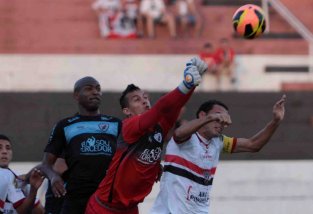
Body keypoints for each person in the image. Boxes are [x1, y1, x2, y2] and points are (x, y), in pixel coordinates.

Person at [85, 57, 208, 213]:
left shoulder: (159, 128)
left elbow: (174, 106)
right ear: (127, 111)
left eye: (145, 97)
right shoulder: (129, 126)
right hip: (103, 209)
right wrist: (186, 84)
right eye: (137, 100)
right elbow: (161, 108)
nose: (144, 102)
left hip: (131, 209)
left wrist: (193, 84)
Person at [150, 95, 286, 214]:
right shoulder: (187, 137)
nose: (221, 121)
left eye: (223, 118)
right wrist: (212, 117)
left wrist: (275, 122)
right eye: (218, 115)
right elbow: (179, 134)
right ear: (203, 115)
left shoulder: (218, 142)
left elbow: (253, 145)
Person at [39, 76, 122, 214]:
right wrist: (53, 176)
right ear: (76, 95)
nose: (95, 92)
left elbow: (132, 153)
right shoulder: (65, 125)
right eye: (89, 89)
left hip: (107, 196)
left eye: (98, 89)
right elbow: (45, 164)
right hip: (75, 198)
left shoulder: (116, 124)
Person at [0, 134, 45, 214]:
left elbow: (39, 211)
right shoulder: (7, 175)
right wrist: (33, 190)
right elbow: (22, 211)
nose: (4, 151)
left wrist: (31, 190)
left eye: (8, 148)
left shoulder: (17, 180)